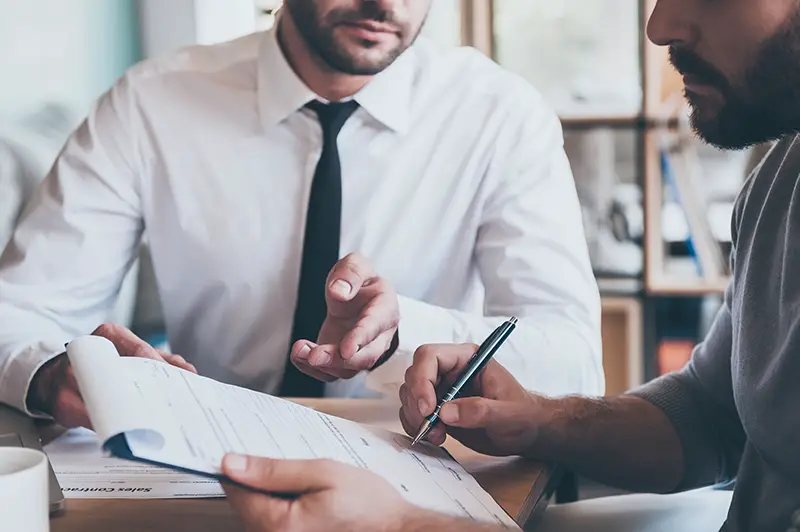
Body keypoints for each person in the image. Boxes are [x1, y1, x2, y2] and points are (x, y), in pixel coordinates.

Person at [216, 0, 800, 531]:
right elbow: (709, 418)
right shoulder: (778, 177)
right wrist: (540, 420)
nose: (659, 27)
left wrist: (401, 526)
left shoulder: (496, 109)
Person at [0, 0, 602, 428]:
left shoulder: (500, 116)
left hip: (423, 464)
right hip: (204, 466)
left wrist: (405, 333)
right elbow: (19, 311)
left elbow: (573, 361)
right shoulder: (148, 105)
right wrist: (51, 373)